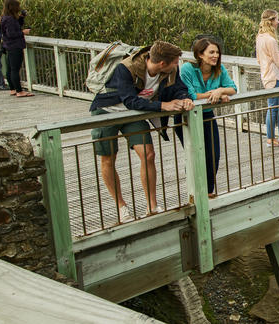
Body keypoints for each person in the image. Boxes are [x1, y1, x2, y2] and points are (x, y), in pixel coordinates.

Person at [89, 40, 193, 222]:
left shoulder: (170, 71)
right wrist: (163, 106)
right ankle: (121, 206)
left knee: (148, 154)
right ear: (162, 64)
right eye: (175, 62)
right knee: (108, 158)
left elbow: (179, 88)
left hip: (132, 115)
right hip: (107, 111)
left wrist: (184, 99)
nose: (177, 65)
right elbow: (129, 99)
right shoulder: (126, 68)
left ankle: (152, 206)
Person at [176, 37, 237, 197]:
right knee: (195, 154)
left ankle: (208, 192)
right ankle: (195, 191)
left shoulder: (219, 69)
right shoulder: (187, 69)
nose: (215, 55)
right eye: (211, 52)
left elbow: (233, 88)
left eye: (217, 52)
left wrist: (220, 91)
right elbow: (190, 95)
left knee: (213, 155)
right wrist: (214, 94)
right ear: (200, 54)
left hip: (206, 114)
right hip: (186, 117)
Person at [255, 9, 279, 147]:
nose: (278, 22)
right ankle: (275, 139)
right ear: (271, 21)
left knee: (277, 108)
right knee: (275, 109)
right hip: (274, 78)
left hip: (267, 76)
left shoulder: (260, 38)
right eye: (276, 19)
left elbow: (261, 59)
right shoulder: (271, 40)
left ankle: (277, 138)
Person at [0, 0, 33, 97]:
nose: (19, 8)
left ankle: (13, 89)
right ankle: (19, 91)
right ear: (12, 7)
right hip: (14, 46)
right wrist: (23, 32)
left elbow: (15, 27)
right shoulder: (9, 19)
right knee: (15, 69)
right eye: (18, 6)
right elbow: (11, 34)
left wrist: (21, 17)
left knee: (10, 69)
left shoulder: (7, 18)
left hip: (9, 46)